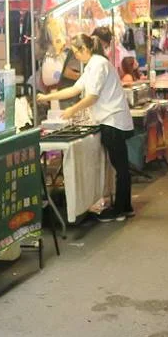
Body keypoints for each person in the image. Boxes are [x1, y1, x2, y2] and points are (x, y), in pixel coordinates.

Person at [40, 34, 136, 222]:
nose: (75, 56)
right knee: (120, 166)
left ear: (84, 49)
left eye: (76, 52)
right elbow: (75, 89)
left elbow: (92, 97)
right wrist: (47, 97)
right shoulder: (92, 65)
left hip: (113, 121)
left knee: (121, 167)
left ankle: (121, 209)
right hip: (109, 120)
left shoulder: (99, 65)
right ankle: (124, 207)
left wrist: (72, 110)